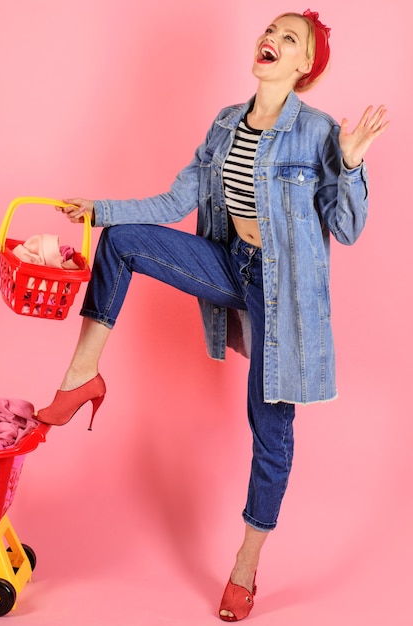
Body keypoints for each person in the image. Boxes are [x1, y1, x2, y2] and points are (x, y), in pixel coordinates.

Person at [35, 9, 389, 621]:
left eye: (288, 38)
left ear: (305, 65)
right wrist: (100, 208)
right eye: (270, 31)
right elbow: (176, 199)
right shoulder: (226, 124)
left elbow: (348, 228)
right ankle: (81, 377)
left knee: (271, 434)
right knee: (120, 241)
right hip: (231, 266)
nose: (271, 41)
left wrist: (352, 164)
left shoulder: (321, 132)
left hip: (284, 299)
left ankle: (245, 566)